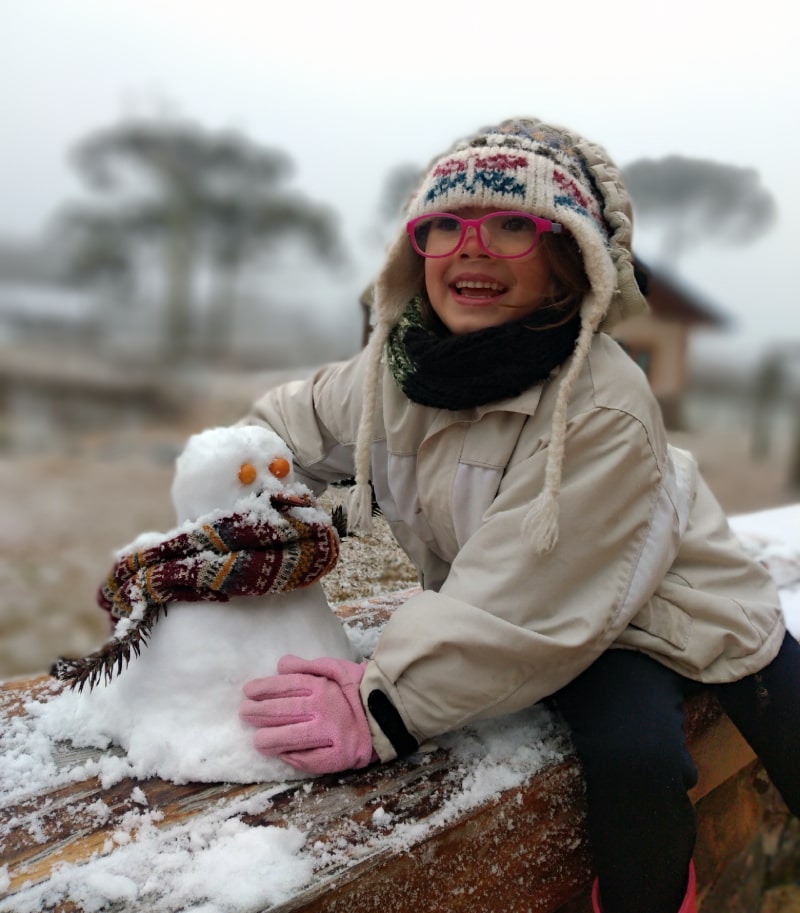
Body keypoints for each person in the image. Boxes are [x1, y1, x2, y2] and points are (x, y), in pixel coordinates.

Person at [114, 118, 800, 913]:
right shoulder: (392, 374)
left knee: (713, 735)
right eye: (446, 226)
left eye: (513, 226)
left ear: (568, 264)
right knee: (634, 751)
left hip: (676, 605)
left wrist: (382, 701)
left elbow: (525, 592)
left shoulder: (604, 405)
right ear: (417, 254)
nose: (472, 248)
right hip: (541, 614)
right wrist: (242, 495)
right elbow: (283, 432)